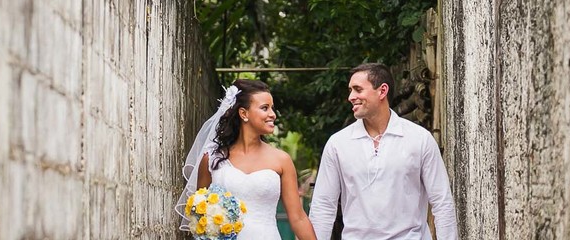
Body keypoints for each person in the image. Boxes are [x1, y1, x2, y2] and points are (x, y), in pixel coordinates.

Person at [308, 64, 459, 240]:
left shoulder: (420, 139)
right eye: (350, 90)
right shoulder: (337, 144)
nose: (351, 97)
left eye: (358, 90)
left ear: (382, 91)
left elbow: (442, 202)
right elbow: (323, 206)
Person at [177, 79, 317, 240]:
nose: (273, 114)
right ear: (244, 113)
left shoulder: (281, 160)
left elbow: (298, 218)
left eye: (272, 108)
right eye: (265, 108)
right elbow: (198, 216)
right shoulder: (212, 159)